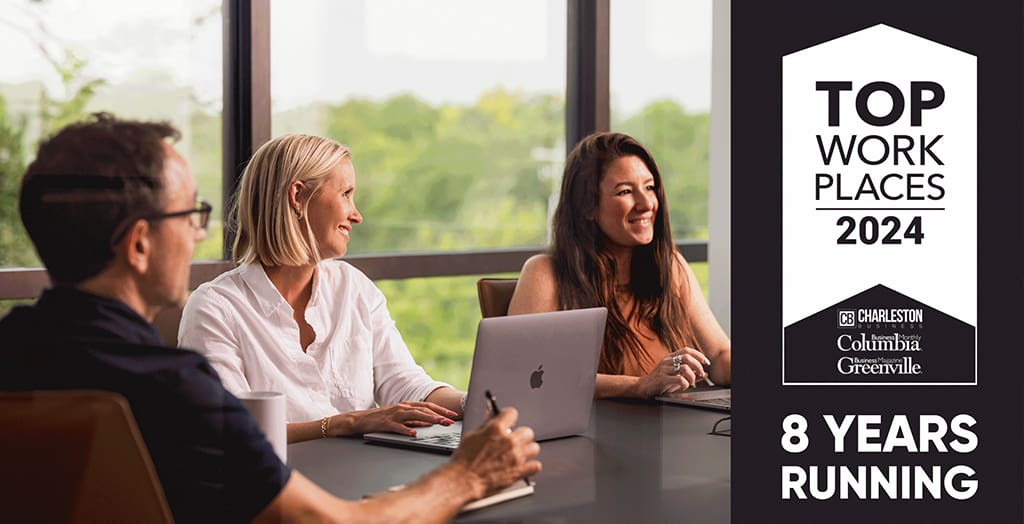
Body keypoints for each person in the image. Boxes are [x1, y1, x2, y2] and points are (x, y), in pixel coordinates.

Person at [0, 114, 541, 523]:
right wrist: (467, 475)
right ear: (140, 244)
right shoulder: (173, 387)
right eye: (191, 214)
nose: (200, 233)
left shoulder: (14, 349)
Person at [178, 134, 466, 444]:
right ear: (298, 196)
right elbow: (229, 430)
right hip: (276, 483)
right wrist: (348, 422)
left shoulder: (353, 287)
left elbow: (404, 383)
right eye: (346, 194)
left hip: (362, 468)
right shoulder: (215, 307)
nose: (356, 215)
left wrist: (475, 403)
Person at [508, 131, 731, 399]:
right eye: (625, 191)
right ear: (587, 207)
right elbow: (524, 373)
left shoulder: (669, 266)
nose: (647, 203)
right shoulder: (545, 273)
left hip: (667, 433)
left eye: (649, 187)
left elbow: (718, 355)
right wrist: (641, 385)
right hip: (588, 436)